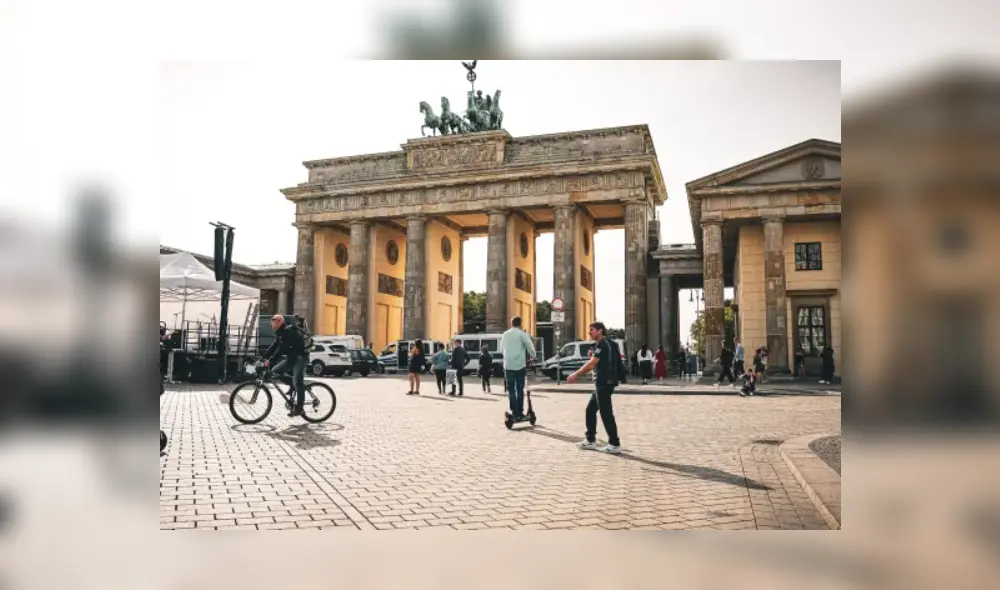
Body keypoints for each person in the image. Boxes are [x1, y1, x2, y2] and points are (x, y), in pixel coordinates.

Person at [568, 321, 621, 454]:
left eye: (591, 330)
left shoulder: (602, 344)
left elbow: (592, 364)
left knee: (606, 413)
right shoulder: (609, 343)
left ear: (600, 331)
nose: (589, 332)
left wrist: (576, 374)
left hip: (603, 382)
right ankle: (590, 440)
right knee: (590, 410)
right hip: (606, 382)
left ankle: (614, 443)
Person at [262, 314, 308, 417]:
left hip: (301, 358)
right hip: (292, 358)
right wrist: (263, 356)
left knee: (298, 381)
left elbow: (281, 349)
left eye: (273, 322)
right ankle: (292, 385)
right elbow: (274, 346)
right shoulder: (280, 333)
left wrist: (271, 360)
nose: (271, 324)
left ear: (280, 322)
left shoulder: (288, 332)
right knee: (274, 372)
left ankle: (299, 408)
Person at [500, 316, 536, 419]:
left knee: (511, 389)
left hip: (508, 365)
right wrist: (533, 356)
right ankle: (520, 412)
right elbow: (530, 347)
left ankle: (514, 411)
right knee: (519, 389)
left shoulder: (505, 335)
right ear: (520, 324)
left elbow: (502, 349)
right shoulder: (522, 334)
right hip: (520, 365)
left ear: (511, 323)